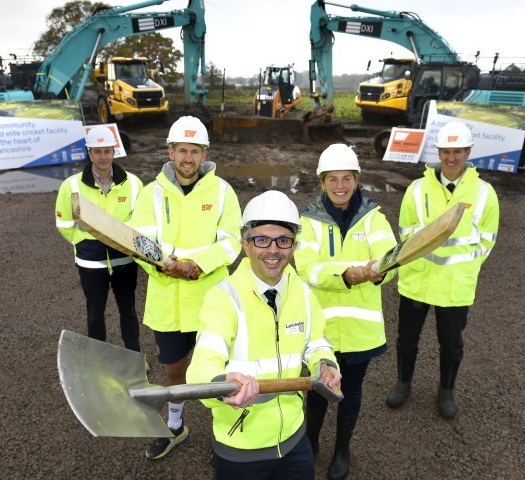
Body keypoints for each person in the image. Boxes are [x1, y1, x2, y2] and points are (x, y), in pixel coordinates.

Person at [187, 190, 342, 480]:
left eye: (283, 240)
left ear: (294, 246)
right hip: (241, 448)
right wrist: (223, 382)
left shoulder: (303, 292)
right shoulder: (223, 298)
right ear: (245, 245)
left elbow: (316, 341)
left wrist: (325, 363)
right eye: (261, 240)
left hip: (295, 440)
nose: (273, 250)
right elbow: (202, 366)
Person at [130, 115, 242, 460]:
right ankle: (176, 427)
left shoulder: (222, 192)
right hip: (170, 302)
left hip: (212, 301)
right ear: (170, 152)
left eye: (195, 151)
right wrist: (166, 266)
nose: (188, 158)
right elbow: (140, 243)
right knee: (175, 370)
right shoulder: (151, 194)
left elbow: (231, 242)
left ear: (204, 153)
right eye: (182, 150)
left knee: (216, 372)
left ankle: (225, 434)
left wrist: (197, 264)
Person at [294, 144, 397, 480]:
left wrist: (380, 270)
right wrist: (351, 272)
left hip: (359, 331)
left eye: (347, 179)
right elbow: (308, 268)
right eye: (333, 179)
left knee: (350, 392)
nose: (340, 186)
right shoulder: (307, 222)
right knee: (318, 391)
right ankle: (310, 443)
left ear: (356, 180)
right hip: (318, 331)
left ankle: (342, 448)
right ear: (322, 182)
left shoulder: (375, 218)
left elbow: (390, 263)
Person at [385, 120, 499, 419]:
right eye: (446, 151)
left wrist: (468, 265)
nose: (451, 158)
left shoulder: (485, 193)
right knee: (407, 339)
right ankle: (403, 383)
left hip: (454, 285)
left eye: (458, 151)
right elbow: (405, 229)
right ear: (438, 151)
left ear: (468, 152)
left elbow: (488, 238)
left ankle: (446, 391)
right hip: (417, 280)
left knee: (451, 345)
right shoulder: (417, 188)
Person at [55, 125, 143, 351]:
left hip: (124, 259)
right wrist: (82, 242)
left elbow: (142, 221)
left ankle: (134, 358)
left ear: (114, 151)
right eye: (97, 151)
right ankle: (98, 361)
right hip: (90, 262)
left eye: (107, 151)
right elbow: (64, 223)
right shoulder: (71, 185)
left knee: (129, 311)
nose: (103, 157)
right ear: (89, 153)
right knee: (95, 313)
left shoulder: (133, 183)